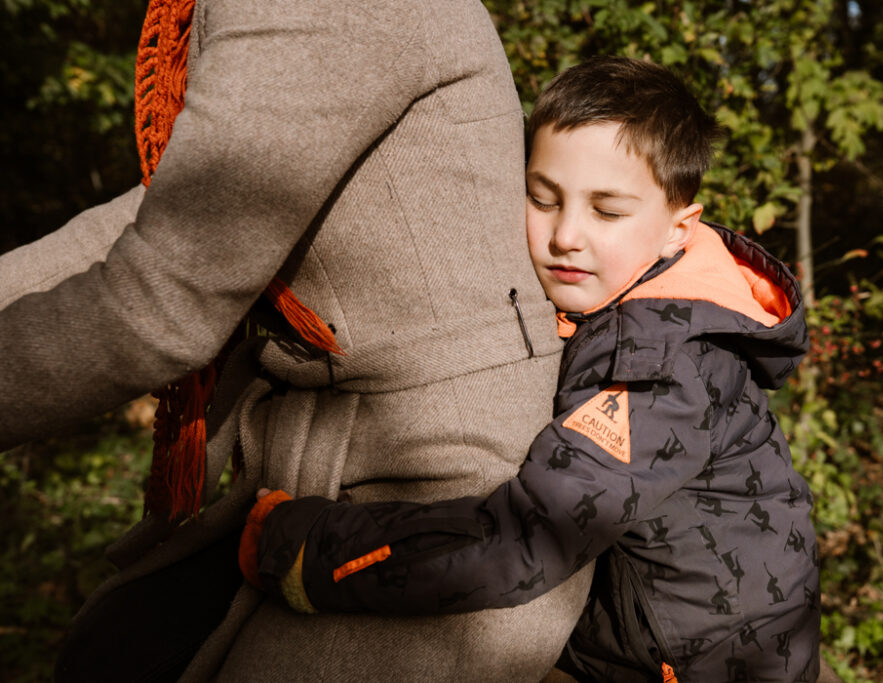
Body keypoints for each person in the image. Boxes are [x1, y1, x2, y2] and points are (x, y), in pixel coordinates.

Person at [0, 0, 593, 680]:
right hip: (320, 473)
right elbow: (176, 212)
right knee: (113, 650)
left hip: (445, 514)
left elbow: (161, 301)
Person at [243, 56, 821, 682]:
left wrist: (308, 553)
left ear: (677, 231)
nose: (566, 234)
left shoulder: (660, 368)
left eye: (607, 211)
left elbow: (525, 540)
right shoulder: (627, 304)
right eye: (542, 199)